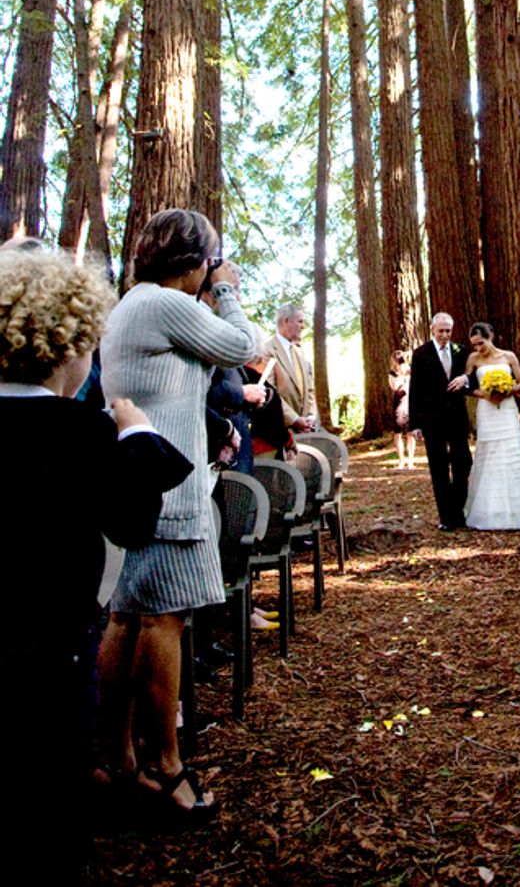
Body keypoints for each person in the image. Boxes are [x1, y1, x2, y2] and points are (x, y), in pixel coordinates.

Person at [0, 248, 192, 882]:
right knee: (48, 792)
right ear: (69, 346)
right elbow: (132, 524)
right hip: (51, 652)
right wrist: (135, 432)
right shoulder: (78, 430)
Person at [97, 209, 259, 820]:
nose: (212, 268)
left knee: (126, 618)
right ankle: (165, 767)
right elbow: (241, 347)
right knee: (162, 620)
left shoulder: (133, 304)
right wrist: (228, 290)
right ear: (191, 261)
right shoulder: (166, 303)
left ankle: (117, 760)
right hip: (167, 487)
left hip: (143, 479)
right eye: (209, 258)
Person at [464, 322, 520, 531]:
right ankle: (490, 511)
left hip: (507, 409)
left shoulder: (508, 356)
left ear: (490, 337)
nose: (478, 348)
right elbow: (468, 386)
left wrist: (508, 390)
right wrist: (485, 394)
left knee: (511, 450)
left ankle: (519, 512)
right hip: (487, 409)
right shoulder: (473, 359)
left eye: (481, 343)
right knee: (490, 452)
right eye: (474, 345)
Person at [409, 312, 471, 530]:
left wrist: (465, 379)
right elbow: (415, 389)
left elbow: (473, 376)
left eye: (448, 331)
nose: (445, 335)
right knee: (439, 467)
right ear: (432, 330)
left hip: (457, 418)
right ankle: (446, 517)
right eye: (441, 331)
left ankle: (459, 510)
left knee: (463, 463)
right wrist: (415, 424)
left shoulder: (461, 351)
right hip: (432, 420)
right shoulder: (421, 354)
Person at [262, 302, 317, 433]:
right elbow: (269, 391)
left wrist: (310, 416)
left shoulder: (300, 352)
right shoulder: (267, 350)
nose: (303, 326)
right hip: (281, 431)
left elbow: (310, 389)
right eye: (300, 321)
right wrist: (294, 420)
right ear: (286, 321)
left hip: (306, 431)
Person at [390, 349, 419, 469]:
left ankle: (411, 461)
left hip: (410, 402)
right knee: (398, 433)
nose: (399, 361)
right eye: (397, 359)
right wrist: (401, 376)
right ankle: (401, 461)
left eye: (400, 358)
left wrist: (407, 372)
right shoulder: (392, 374)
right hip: (399, 403)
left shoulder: (410, 371)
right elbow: (394, 387)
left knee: (410, 433)